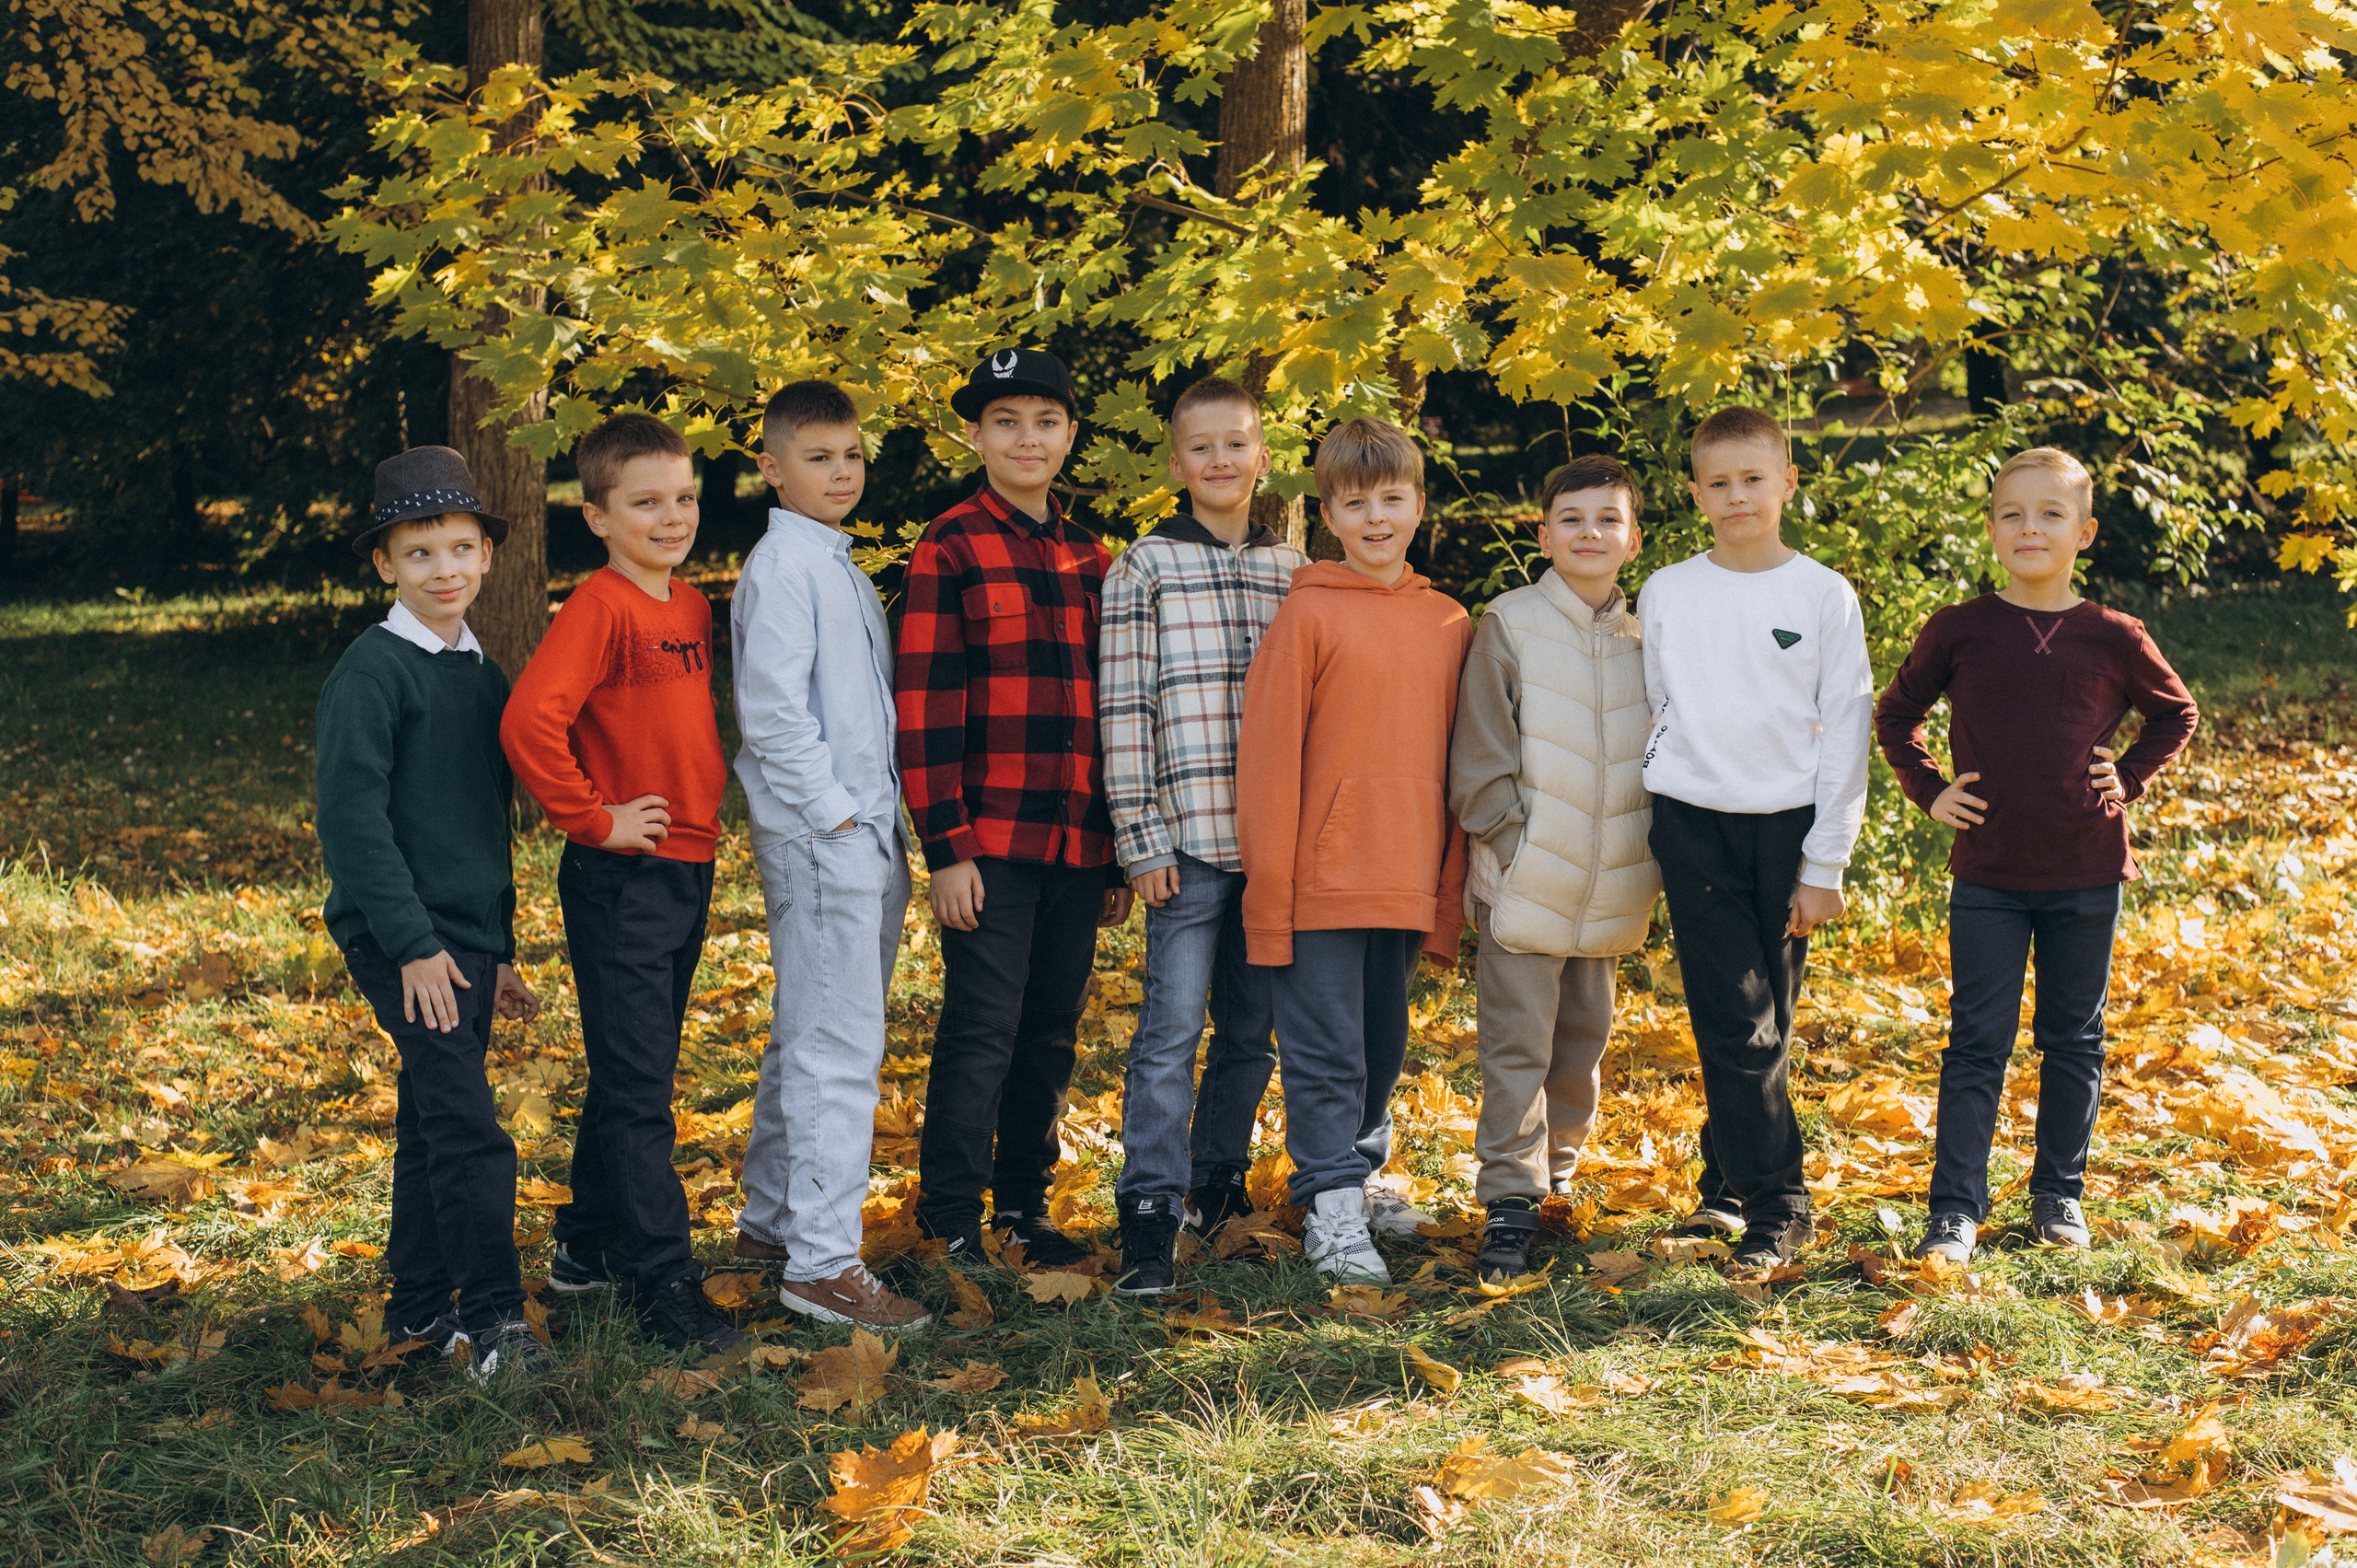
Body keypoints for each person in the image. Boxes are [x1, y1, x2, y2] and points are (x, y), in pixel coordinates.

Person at [1875, 447, 2198, 1263]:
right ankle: (1955, 1209)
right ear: (1991, 529)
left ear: (2084, 532)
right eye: (2013, 513)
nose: (2031, 527)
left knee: (2074, 1038)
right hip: (1988, 874)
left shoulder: (2113, 635)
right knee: (1976, 1040)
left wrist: (2123, 776)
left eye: (2051, 513)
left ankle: (2059, 1193)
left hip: (2086, 870)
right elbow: (1895, 715)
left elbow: (2176, 714)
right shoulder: (1961, 628)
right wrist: (1930, 788)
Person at [500, 412, 742, 1353]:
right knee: (642, 1089)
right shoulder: (598, 608)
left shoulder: (686, 606)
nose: (672, 516)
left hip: (687, 865)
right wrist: (595, 817)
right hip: (622, 877)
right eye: (646, 502)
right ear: (597, 516)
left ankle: (584, 1248)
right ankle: (660, 1285)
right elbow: (529, 723)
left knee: (633, 1071)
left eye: (684, 497)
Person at [315, 445, 549, 1381]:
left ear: (488, 555)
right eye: (420, 554)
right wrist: (414, 946)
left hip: (462, 941)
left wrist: (499, 952)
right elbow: (352, 820)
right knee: (468, 1126)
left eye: (460, 548)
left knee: (430, 1117)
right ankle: (496, 1320)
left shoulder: (482, 675)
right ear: (384, 564)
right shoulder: (373, 673)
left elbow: (481, 833)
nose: (444, 569)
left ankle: (418, 1304)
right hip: (398, 935)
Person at [896, 348, 1134, 1264]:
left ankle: (1024, 1208)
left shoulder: (1092, 557)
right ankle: (950, 1213)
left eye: (1044, 421)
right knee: (981, 1026)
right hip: (989, 839)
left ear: (1070, 435)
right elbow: (924, 705)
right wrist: (946, 845)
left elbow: (1111, 709)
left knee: (1049, 1028)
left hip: (1075, 838)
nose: (1026, 438)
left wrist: (1112, 847)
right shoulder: (949, 543)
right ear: (975, 435)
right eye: (1004, 422)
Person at [1236, 416, 1470, 1284]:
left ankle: (1359, 1175)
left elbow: (1459, 763)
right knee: (1324, 1048)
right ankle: (1329, 1206)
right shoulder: (1307, 615)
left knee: (1380, 1041)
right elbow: (1266, 763)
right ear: (1328, 514)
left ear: (1419, 504)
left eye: (1393, 499)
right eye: (1356, 502)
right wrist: (1271, 889)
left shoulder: (1449, 620)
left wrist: (1448, 887)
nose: (1377, 517)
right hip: (1319, 877)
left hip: (1405, 875)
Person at [1640, 405, 1873, 1270]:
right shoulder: (1667, 590)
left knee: (1768, 1014)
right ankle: (1782, 1205)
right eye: (1719, 483)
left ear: (1787, 483)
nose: (1737, 496)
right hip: (1694, 824)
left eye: (1753, 479)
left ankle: (1726, 1185)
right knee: (1736, 1020)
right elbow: (1661, 705)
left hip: (1788, 830)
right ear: (1696, 492)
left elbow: (1846, 729)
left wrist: (1825, 861)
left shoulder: (1820, 593)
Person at [727, 379, 928, 1328]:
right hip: (824, 838)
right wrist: (839, 818)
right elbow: (770, 711)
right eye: (817, 457)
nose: (840, 472)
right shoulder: (782, 563)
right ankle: (820, 1261)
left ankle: (772, 1220)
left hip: (861, 834)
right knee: (836, 1046)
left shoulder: (834, 561)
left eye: (850, 455)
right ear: (772, 466)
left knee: (808, 1026)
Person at [1099, 376, 1306, 1295]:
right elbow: (1123, 708)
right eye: (1202, 446)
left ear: (1262, 456)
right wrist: (1140, 837)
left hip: (1272, 842)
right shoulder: (1143, 567)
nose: (1221, 460)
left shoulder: (1293, 571)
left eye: (1238, 443)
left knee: (1251, 1027)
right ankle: (1147, 1205)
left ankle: (1215, 1179)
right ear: (1177, 462)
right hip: (1182, 839)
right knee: (1167, 1028)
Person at [1449, 454, 1661, 1280]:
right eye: (1571, 519)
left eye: (1607, 518)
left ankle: (1557, 1179)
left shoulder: (1647, 635)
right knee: (1516, 1048)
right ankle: (1508, 1199)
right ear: (1543, 533)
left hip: (1613, 875)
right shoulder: (1508, 622)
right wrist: (1503, 840)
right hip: (1525, 876)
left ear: (1632, 538)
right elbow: (1481, 747)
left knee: (1582, 1044)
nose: (1589, 533)